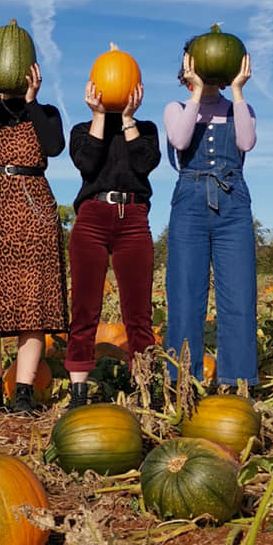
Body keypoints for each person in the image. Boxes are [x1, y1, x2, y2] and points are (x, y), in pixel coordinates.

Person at [0, 61, 67, 414]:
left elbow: (53, 147)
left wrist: (33, 101)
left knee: (32, 304)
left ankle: (23, 393)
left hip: (33, 206)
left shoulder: (46, 112)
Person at [163, 47, 258, 387]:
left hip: (233, 203)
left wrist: (237, 90)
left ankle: (237, 382)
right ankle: (181, 381)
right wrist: (197, 92)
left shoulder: (240, 109)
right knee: (185, 296)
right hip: (189, 202)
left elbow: (246, 142)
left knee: (239, 296)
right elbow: (180, 138)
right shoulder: (176, 108)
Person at [65, 80, 161, 406]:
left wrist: (130, 119)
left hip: (133, 219)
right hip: (91, 217)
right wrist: (98, 115)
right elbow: (87, 164)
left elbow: (144, 165)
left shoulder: (146, 129)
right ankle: (78, 390)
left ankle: (145, 387)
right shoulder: (82, 130)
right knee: (84, 309)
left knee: (138, 313)